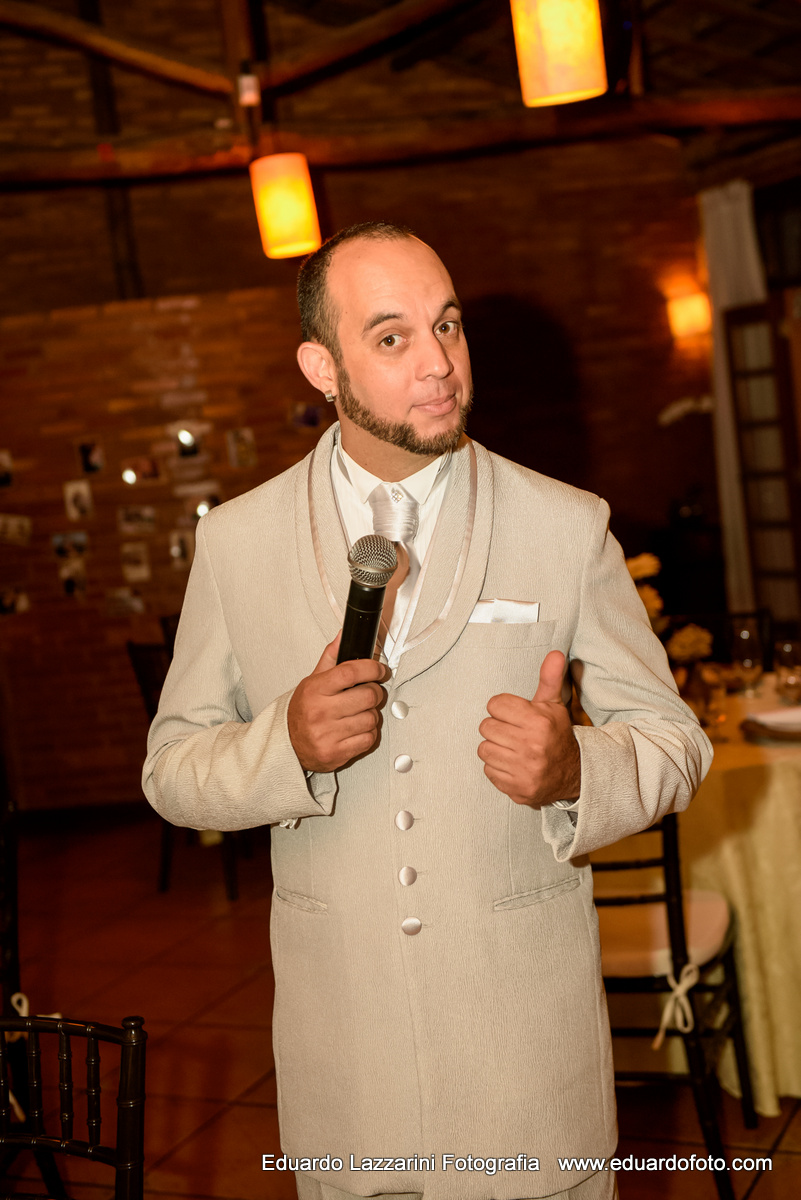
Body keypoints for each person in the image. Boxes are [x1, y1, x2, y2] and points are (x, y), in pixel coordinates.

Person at [143, 222, 712, 1200]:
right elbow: (171, 767)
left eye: (446, 326)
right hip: (347, 1064)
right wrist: (284, 743)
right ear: (322, 365)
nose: (440, 363)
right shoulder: (237, 543)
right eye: (393, 337)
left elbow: (674, 739)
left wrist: (580, 769)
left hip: (526, 1062)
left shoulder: (566, 525)